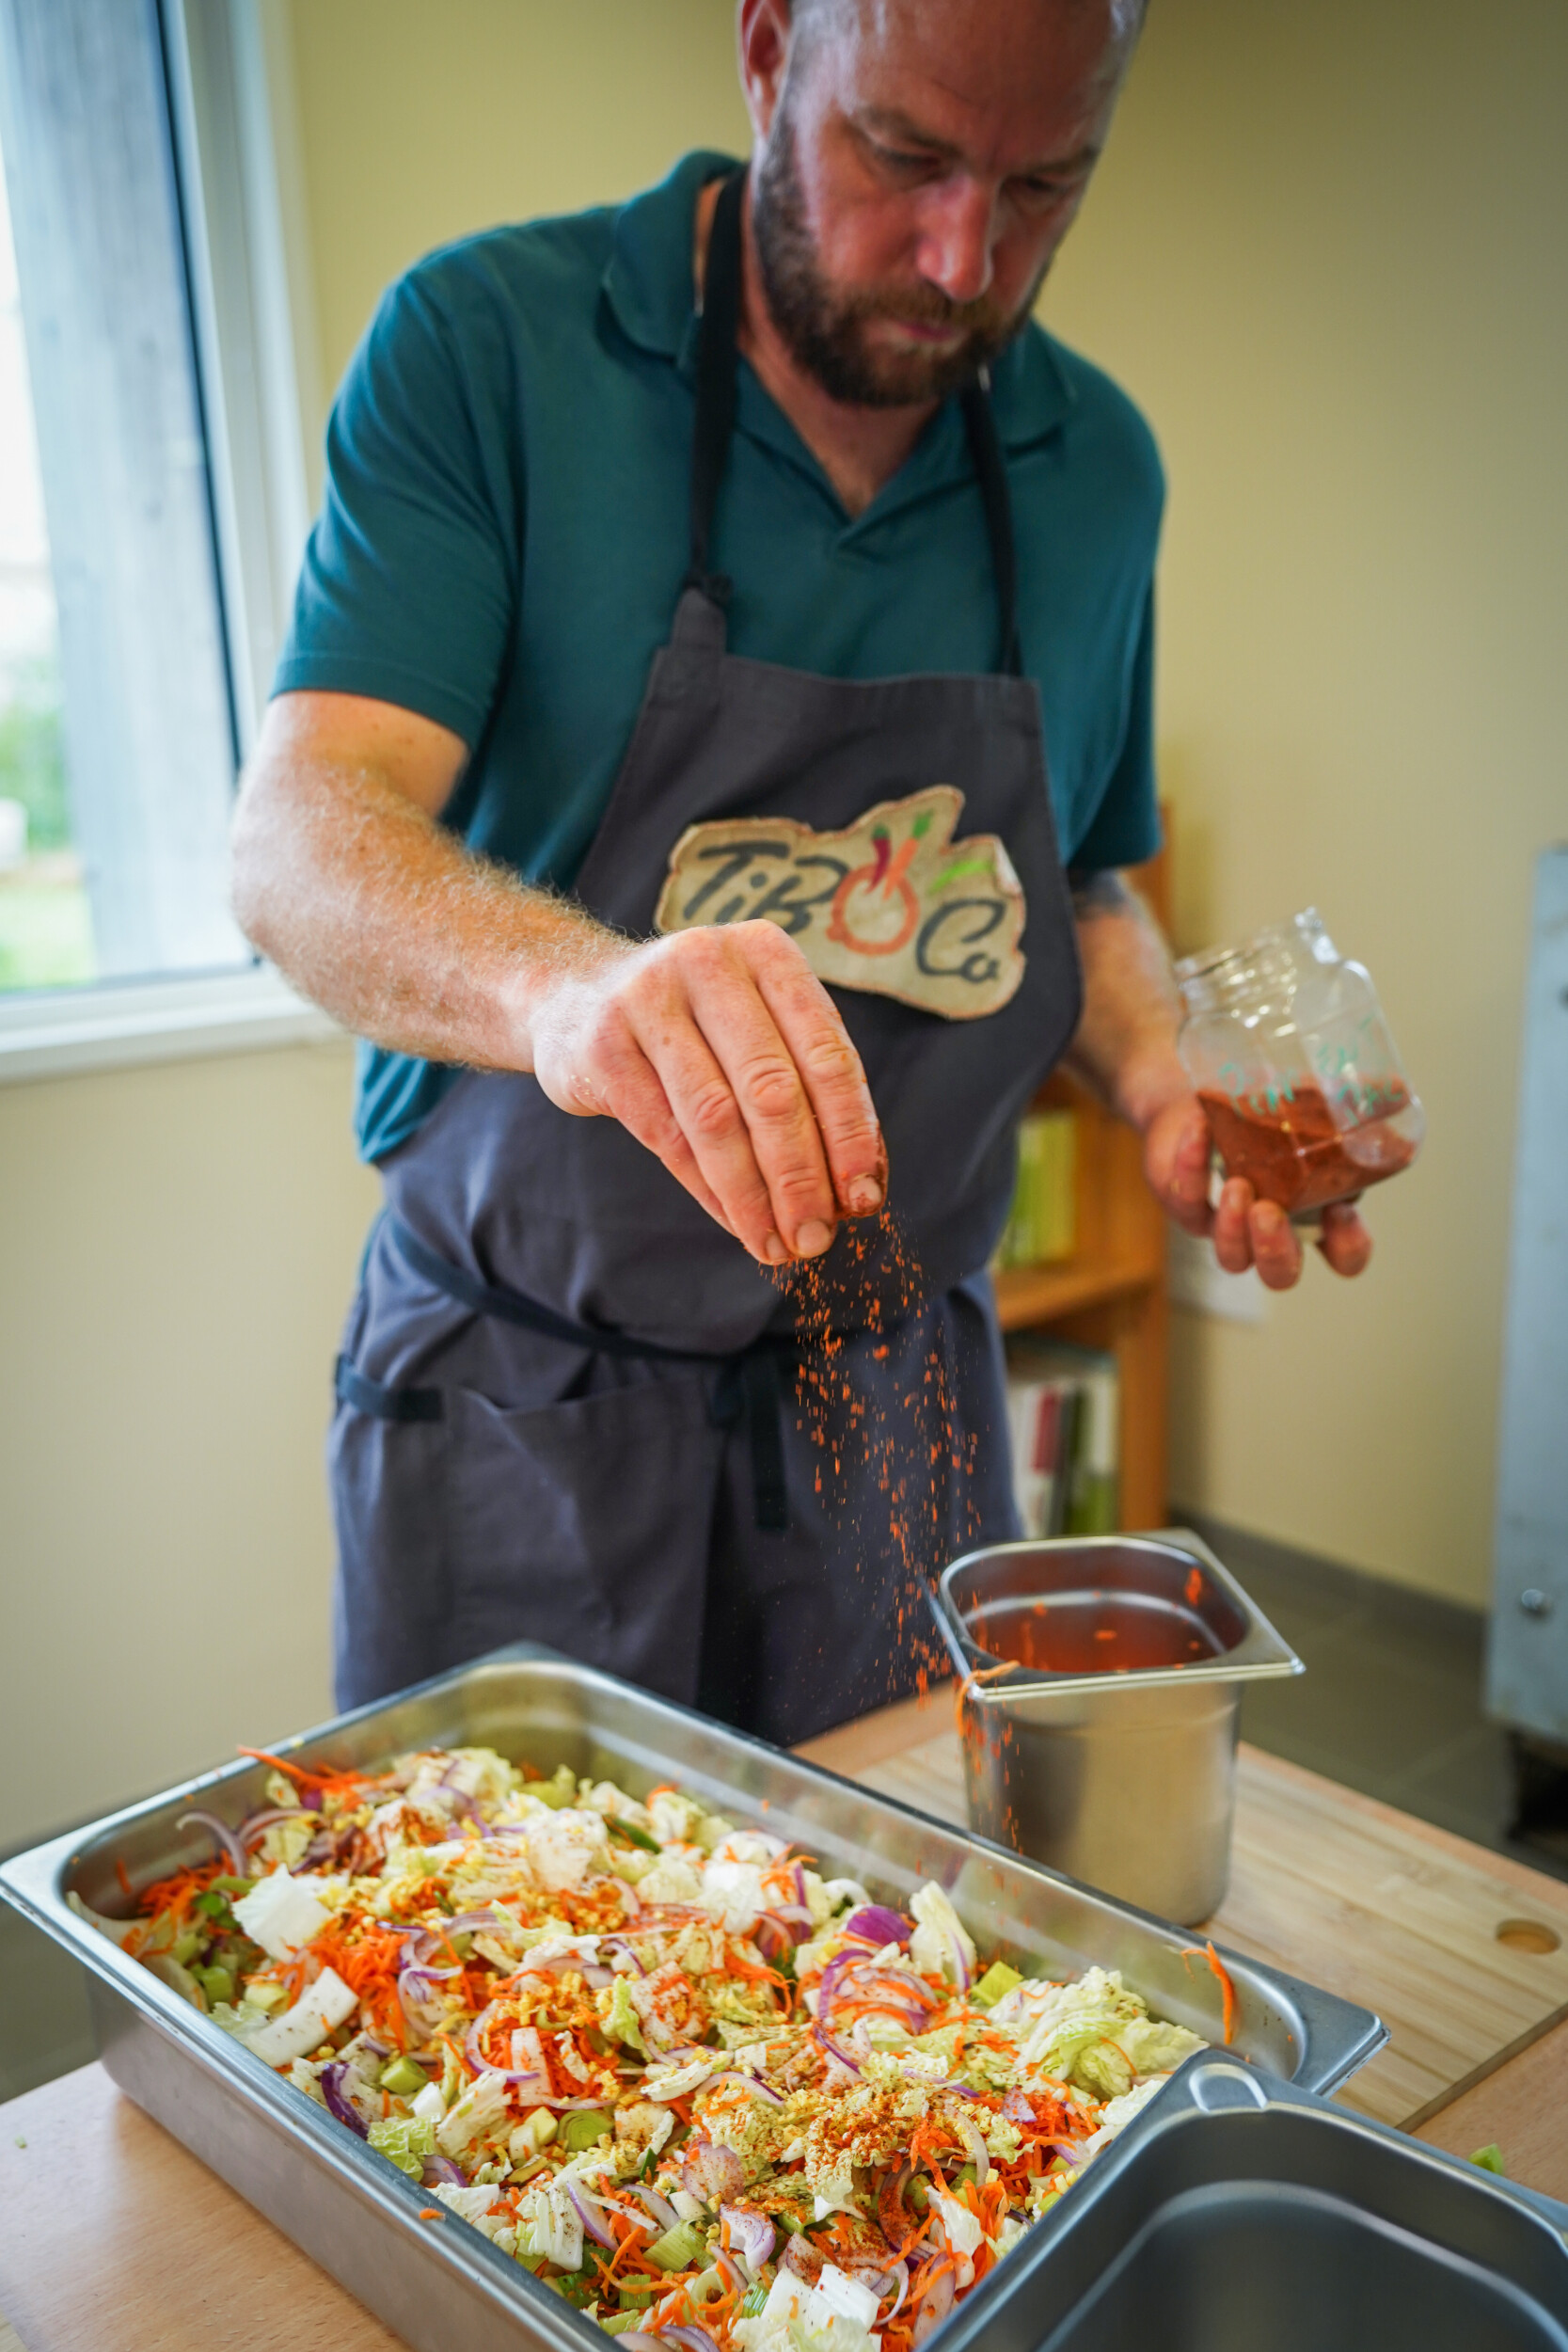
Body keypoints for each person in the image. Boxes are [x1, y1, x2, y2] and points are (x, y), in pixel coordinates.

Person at [231, 0, 1371, 1743]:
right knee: (506, 1978)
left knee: (890, 1978)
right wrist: (571, 986)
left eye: (1045, 185)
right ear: (769, 53)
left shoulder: (1097, 470)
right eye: (903, 154)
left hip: (896, 1418)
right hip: (529, 1407)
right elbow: (303, 838)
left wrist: (1164, 1071)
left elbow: (1073, 883)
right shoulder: (495, 347)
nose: (963, 256)